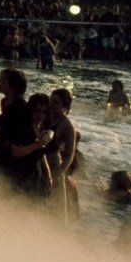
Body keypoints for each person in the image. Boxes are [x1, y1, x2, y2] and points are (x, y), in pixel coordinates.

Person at [46, 88, 80, 221]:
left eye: (56, 103)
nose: (51, 105)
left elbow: (70, 155)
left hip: (55, 165)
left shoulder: (67, 125)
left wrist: (58, 174)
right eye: (50, 101)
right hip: (41, 162)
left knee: (55, 208)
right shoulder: (46, 118)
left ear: (65, 106)